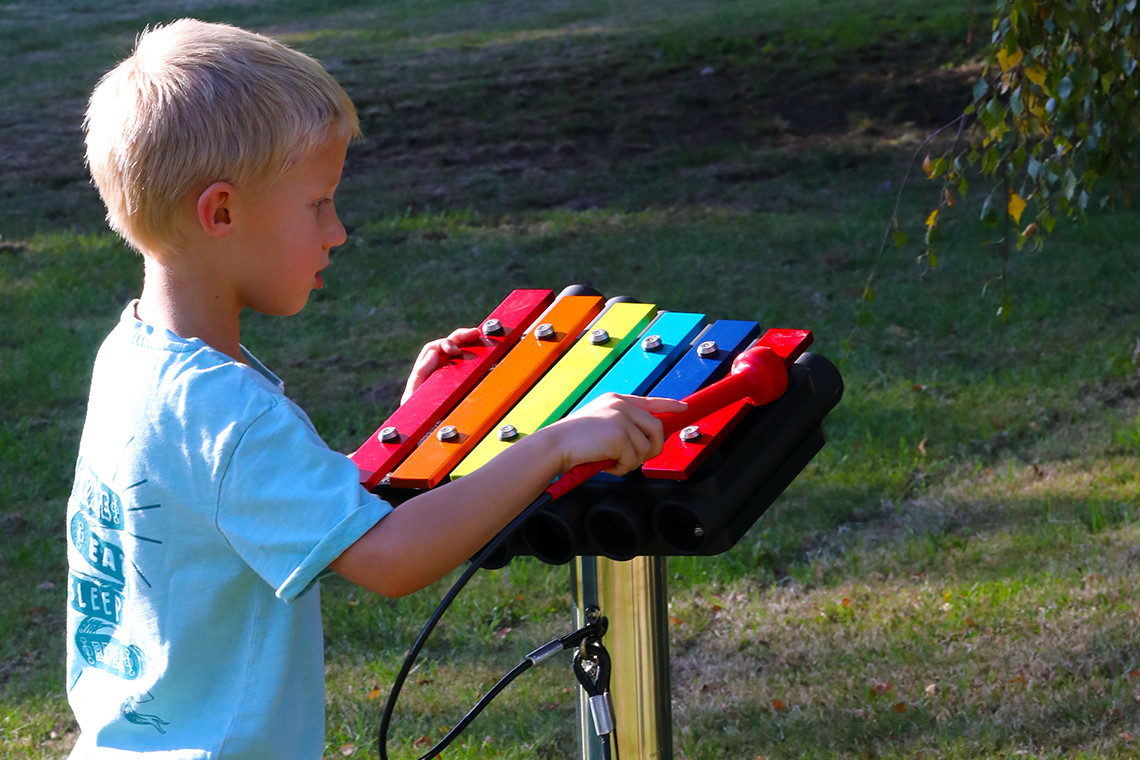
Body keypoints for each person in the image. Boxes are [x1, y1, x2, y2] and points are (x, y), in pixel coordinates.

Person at [68, 18, 684, 759]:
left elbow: (265, 505)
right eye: (317, 204)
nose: (338, 231)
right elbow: (388, 559)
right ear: (221, 212)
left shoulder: (134, 358)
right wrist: (556, 445)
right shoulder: (227, 414)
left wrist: (417, 418)